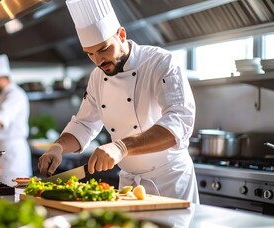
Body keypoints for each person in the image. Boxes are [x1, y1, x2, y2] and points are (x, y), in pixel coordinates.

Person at [38, 0, 199, 203]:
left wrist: (121, 147)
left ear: (121, 35)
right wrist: (58, 147)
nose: (98, 61)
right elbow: (84, 124)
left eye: (104, 49)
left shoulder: (161, 62)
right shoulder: (97, 77)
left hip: (169, 183)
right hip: (128, 187)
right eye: (90, 54)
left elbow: (179, 122)